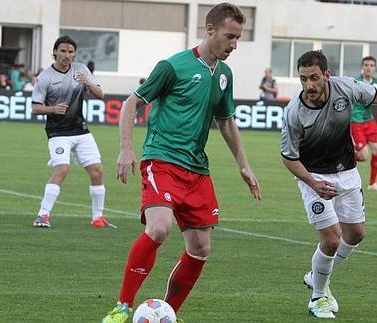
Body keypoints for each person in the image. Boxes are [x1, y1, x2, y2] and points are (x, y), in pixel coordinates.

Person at [102, 3, 262, 322]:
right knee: (159, 228)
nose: (234, 44)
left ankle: (168, 311)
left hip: (197, 170)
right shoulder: (173, 66)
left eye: (238, 38)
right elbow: (132, 102)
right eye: (230, 36)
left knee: (201, 248)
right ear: (210, 29)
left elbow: (226, 122)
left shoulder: (224, 75)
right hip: (162, 160)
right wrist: (125, 149)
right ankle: (121, 307)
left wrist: (243, 165)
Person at [280, 50, 377, 319]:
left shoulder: (345, 87)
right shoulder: (294, 112)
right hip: (314, 177)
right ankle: (318, 296)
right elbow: (289, 158)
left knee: (355, 235)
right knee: (331, 238)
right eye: (303, 79)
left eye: (314, 78)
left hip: (347, 173)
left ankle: (316, 275)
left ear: (327, 75)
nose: (309, 85)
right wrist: (313, 183)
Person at [31, 35, 116, 229]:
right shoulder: (45, 77)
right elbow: (35, 107)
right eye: (63, 51)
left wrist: (88, 82)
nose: (67, 55)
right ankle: (42, 215)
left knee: (97, 171)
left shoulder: (81, 70)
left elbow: (101, 94)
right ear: (55, 52)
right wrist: (52, 109)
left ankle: (97, 218)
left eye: (70, 52)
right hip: (58, 133)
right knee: (61, 170)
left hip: (80, 130)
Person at [350, 56, 377, 192]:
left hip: (369, 120)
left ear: (375, 68)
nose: (369, 67)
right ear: (362, 67)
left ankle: (373, 183)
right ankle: (342, 156)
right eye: (366, 65)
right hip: (356, 121)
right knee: (363, 156)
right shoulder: (356, 81)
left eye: (372, 65)